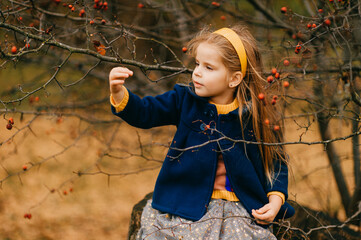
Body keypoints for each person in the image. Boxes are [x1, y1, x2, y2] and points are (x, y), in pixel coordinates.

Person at [109, 24, 295, 239]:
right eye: (197, 64)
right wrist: (118, 92)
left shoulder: (255, 114)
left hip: (240, 207)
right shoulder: (184, 100)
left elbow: (275, 162)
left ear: (234, 78)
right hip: (184, 202)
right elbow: (145, 113)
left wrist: (275, 202)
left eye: (209, 67)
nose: (197, 72)